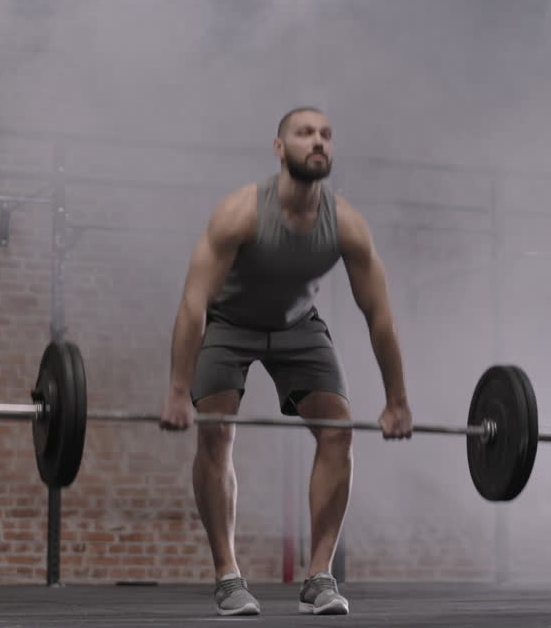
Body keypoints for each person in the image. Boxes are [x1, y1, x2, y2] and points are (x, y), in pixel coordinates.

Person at [159, 106, 414, 616]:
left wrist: (397, 401)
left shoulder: (346, 225)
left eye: (325, 135)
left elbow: (379, 316)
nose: (317, 141)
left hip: (298, 327)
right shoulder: (241, 213)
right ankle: (228, 576)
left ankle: (319, 577)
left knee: (339, 431)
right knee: (215, 430)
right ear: (280, 148)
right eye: (304, 133)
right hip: (228, 324)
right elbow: (193, 303)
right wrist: (176, 388)